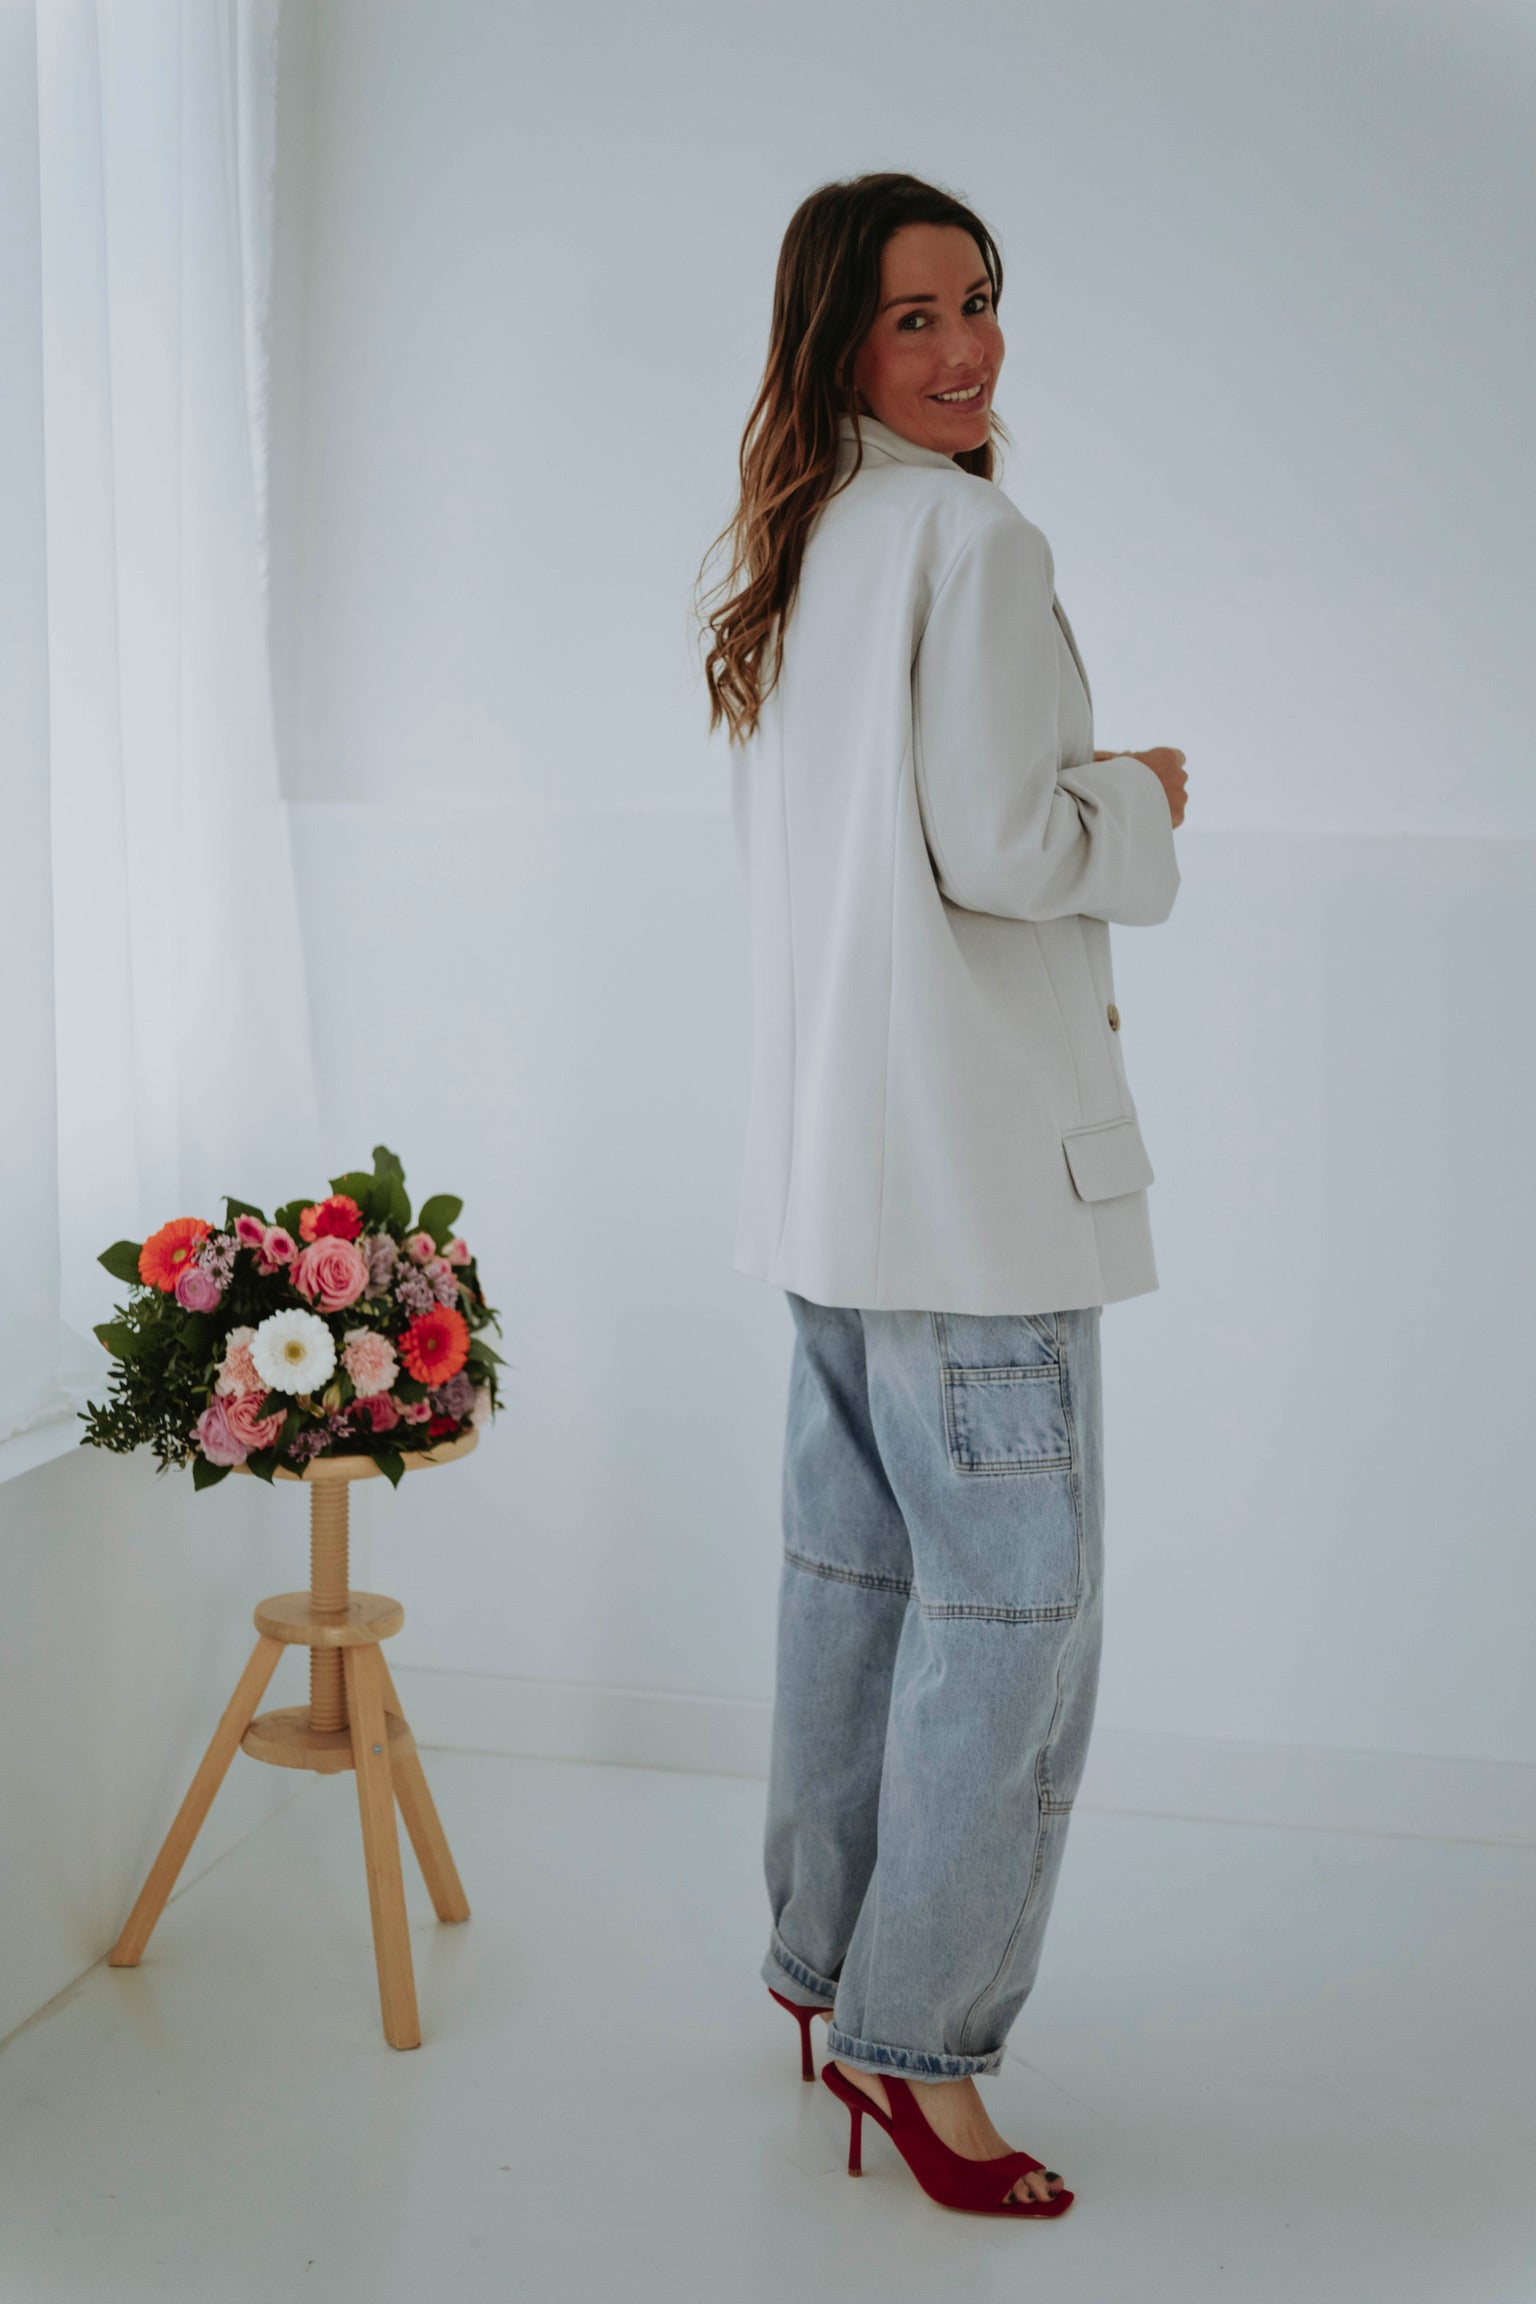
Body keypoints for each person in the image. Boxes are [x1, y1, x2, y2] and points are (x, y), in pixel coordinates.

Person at [695, 172, 1188, 2218]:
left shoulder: (802, 542)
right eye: (914, 317)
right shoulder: (975, 542)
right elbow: (999, 846)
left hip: (836, 1184)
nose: (967, 347)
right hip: (976, 1197)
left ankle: (826, 1980)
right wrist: (1136, 803)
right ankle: (926, 2058)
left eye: (977, 301)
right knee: (1008, 1624)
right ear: (838, 344)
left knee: (854, 1590)